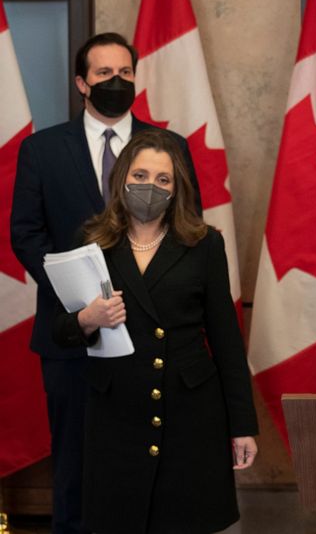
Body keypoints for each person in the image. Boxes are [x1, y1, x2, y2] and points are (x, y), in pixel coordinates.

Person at [10, 32, 201, 534]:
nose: (116, 82)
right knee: (73, 457)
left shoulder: (169, 148)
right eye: (104, 74)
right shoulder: (42, 149)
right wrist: (79, 300)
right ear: (81, 83)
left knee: (148, 459)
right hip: (72, 333)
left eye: (125, 73)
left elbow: (188, 231)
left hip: (153, 338)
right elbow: (25, 233)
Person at [50, 128, 257, 534]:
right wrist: (88, 319)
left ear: (177, 187)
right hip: (117, 415)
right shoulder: (92, 242)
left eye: (163, 179)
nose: (151, 186)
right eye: (141, 176)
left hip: (190, 413)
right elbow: (60, 328)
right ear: (122, 176)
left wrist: (243, 425)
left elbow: (227, 342)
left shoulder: (204, 244)